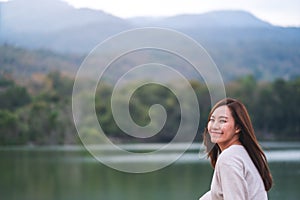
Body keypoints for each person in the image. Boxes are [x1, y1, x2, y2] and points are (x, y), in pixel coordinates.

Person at [199, 98, 272, 200]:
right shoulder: (243, 153)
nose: (214, 126)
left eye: (222, 121)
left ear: (238, 127)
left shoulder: (229, 158)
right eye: (212, 120)